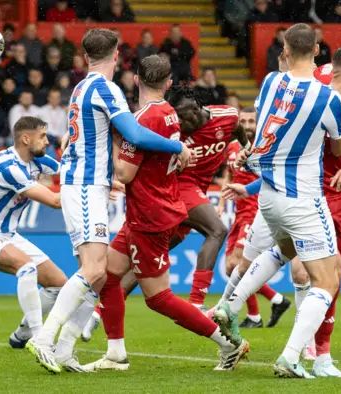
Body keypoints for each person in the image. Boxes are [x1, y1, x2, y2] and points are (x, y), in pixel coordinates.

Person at [26, 28, 191, 374]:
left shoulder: (80, 88)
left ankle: (66, 348)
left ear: (85, 58)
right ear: (116, 55)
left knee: (100, 276)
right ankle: (45, 339)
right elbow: (133, 133)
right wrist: (177, 145)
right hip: (85, 187)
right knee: (94, 270)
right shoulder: (105, 88)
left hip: (87, 184)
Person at [84, 54, 249, 373]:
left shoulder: (143, 119)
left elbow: (126, 173)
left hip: (150, 215)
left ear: (136, 80)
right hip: (152, 208)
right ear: (168, 83)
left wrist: (114, 140)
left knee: (158, 298)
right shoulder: (170, 114)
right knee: (108, 275)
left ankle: (229, 344)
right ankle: (115, 352)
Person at [214, 23, 341, 379]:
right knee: (329, 279)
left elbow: (267, 131)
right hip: (302, 196)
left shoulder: (272, 81)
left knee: (282, 250)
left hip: (269, 196)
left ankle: (231, 304)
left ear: (285, 50)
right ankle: (291, 357)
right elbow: (338, 146)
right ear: (318, 49)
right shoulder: (328, 98)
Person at [0, 116, 69, 352]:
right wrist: (92, 194)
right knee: (27, 267)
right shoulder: (9, 167)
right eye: (42, 136)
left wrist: (108, 182)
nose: (47, 141)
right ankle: (40, 338)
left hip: (7, 234)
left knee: (58, 284)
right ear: (25, 138)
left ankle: (21, 335)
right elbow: (54, 200)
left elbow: (69, 173)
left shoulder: (36, 160)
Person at [216, 107, 291, 330]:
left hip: (256, 211)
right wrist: (221, 204)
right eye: (244, 121)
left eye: (251, 121)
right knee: (232, 269)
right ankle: (275, 301)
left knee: (236, 264)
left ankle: (249, 314)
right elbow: (228, 174)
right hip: (239, 213)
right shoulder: (231, 147)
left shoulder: (263, 147)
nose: (248, 125)